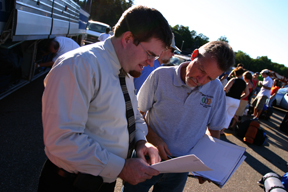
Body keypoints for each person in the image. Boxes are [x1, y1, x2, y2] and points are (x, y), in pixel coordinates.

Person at [38, 5, 173, 192]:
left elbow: (133, 115)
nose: (151, 63)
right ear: (127, 39)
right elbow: (63, 140)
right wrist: (122, 168)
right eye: (150, 54)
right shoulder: (78, 64)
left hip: (102, 183)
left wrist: (142, 142)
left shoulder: (126, 67)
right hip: (70, 184)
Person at [123, 41, 235, 192]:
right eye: (201, 70)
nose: (200, 81)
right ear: (194, 55)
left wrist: (209, 163)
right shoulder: (160, 76)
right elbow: (137, 112)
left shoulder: (216, 90)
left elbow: (214, 130)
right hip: (147, 156)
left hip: (181, 168)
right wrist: (153, 138)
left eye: (209, 78)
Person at [221, 67, 248, 134]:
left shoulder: (233, 80)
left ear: (235, 73)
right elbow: (247, 93)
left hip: (229, 98)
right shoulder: (244, 83)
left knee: (221, 113)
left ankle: (216, 128)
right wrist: (240, 97)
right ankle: (222, 130)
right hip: (236, 101)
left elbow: (225, 89)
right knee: (229, 116)